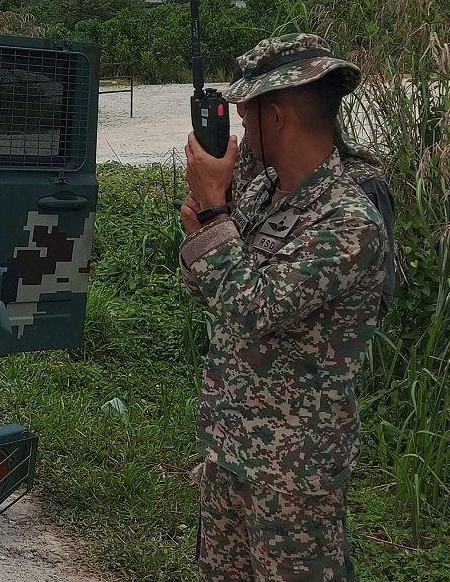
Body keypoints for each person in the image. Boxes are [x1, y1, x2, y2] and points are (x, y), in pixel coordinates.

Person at [179, 33, 389, 581]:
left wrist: (213, 221)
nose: (243, 134)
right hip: (231, 448)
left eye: (246, 121)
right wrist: (207, 221)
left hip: (294, 474)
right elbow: (213, 294)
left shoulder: (348, 221)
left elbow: (254, 307)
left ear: (276, 117)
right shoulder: (262, 194)